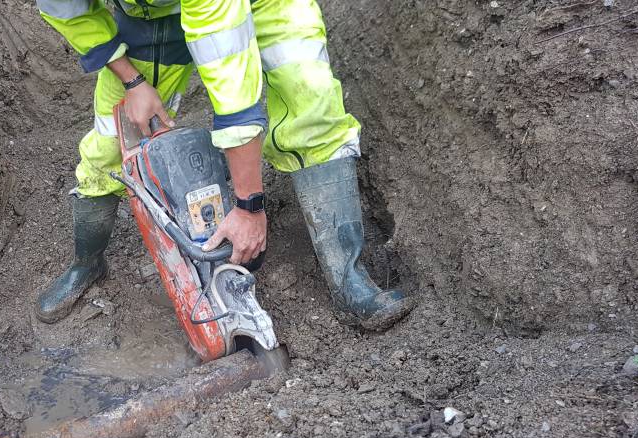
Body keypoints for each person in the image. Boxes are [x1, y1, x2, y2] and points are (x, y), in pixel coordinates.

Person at [33, 0, 415, 331]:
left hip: (265, 6)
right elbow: (69, 12)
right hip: (152, 16)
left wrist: (250, 206)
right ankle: (87, 263)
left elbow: (234, 97)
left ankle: (350, 282)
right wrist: (132, 81)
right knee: (108, 144)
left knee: (311, 102)